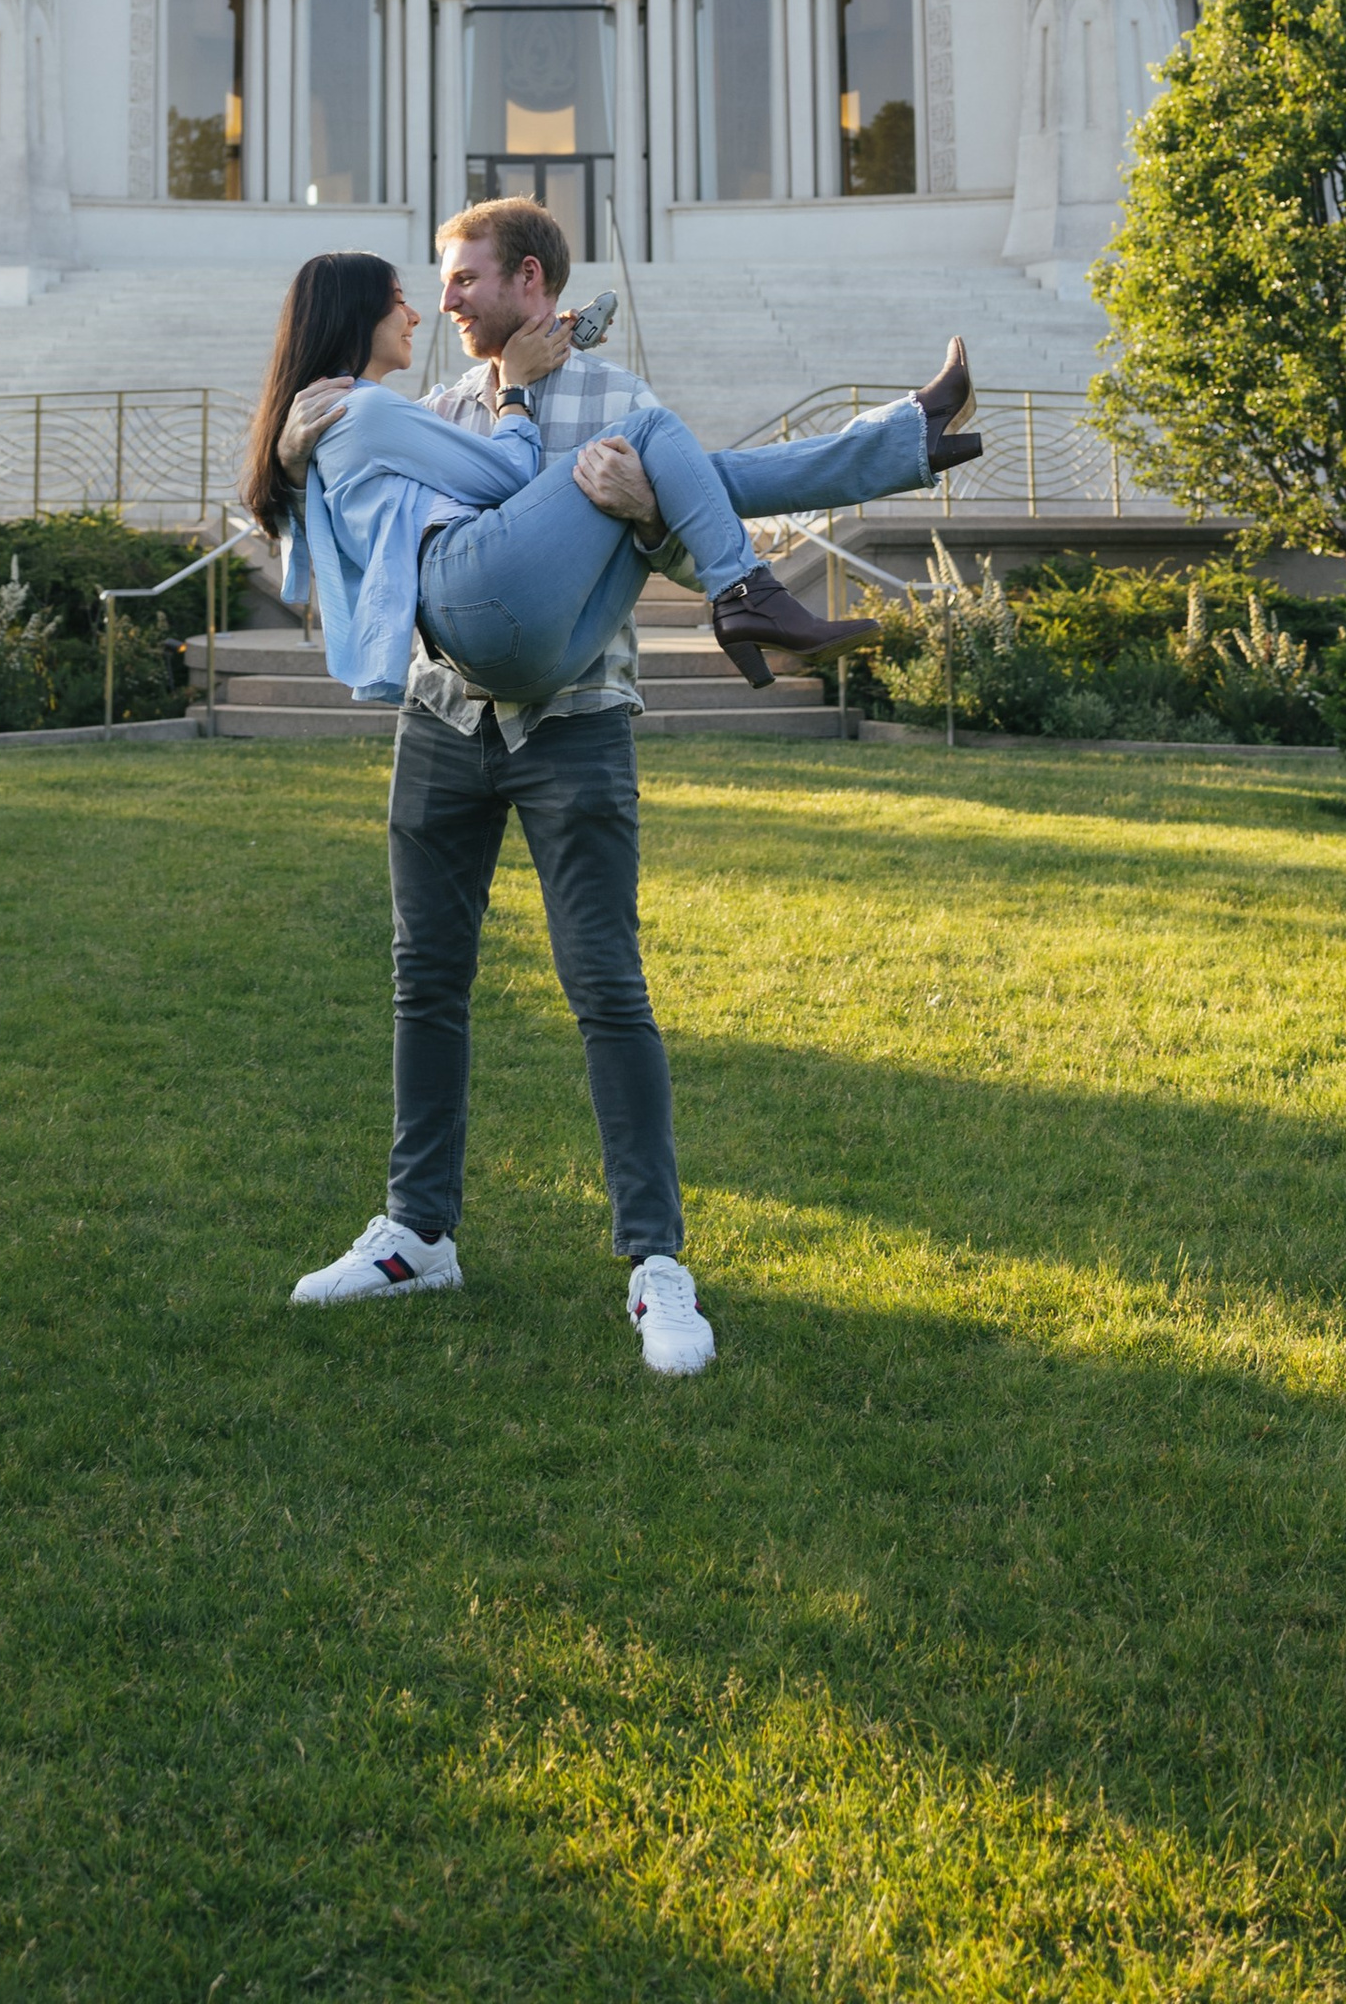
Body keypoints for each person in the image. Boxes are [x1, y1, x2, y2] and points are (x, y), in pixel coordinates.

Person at [253, 202, 979, 1377]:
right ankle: (414, 1232)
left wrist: (649, 509)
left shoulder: (615, 395)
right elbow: (383, 513)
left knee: (607, 988)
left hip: (574, 722)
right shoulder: (436, 406)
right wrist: (298, 446)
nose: (444, 303)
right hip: (446, 716)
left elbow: (692, 527)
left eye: (463, 280)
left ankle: (656, 1262)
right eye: (433, 285)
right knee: (424, 980)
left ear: (526, 283)